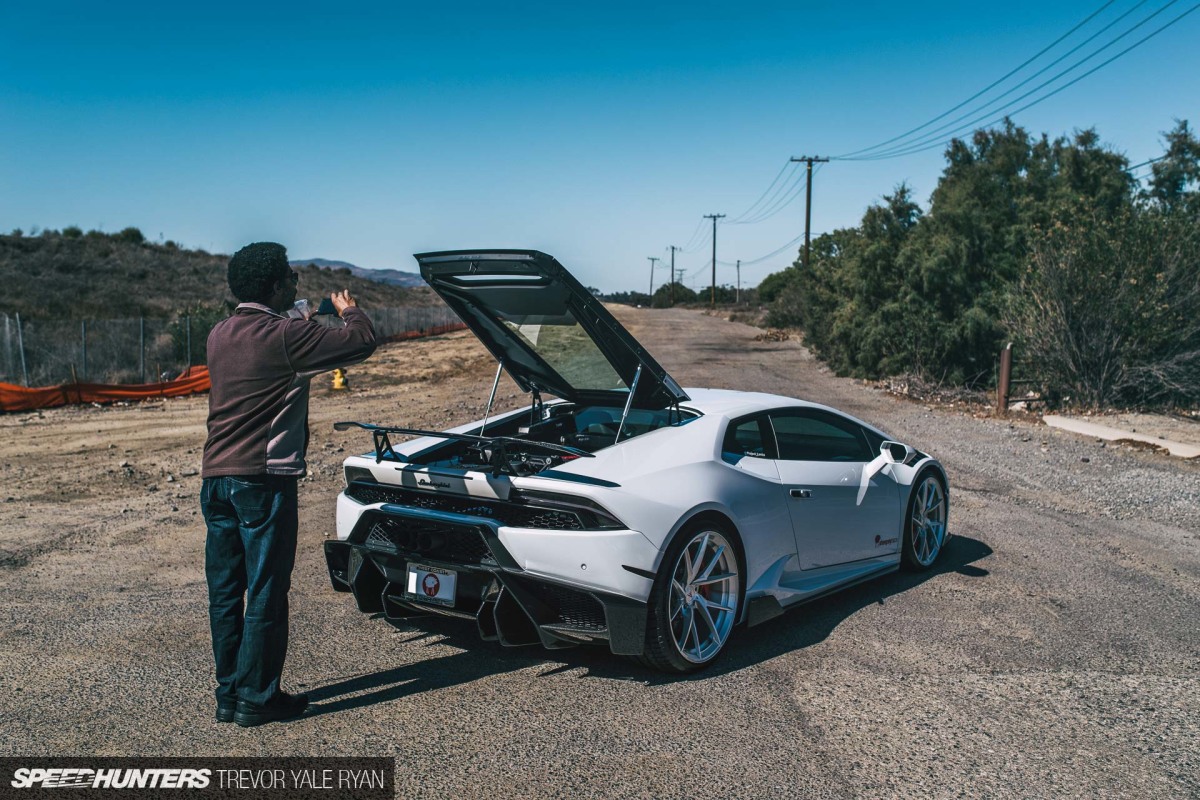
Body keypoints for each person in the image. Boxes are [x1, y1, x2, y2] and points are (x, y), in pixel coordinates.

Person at [200, 242, 376, 727]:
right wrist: (350, 311)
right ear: (276, 285)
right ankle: (258, 699)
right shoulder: (285, 335)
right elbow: (360, 342)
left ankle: (229, 693)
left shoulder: (219, 334)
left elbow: (279, 337)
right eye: (292, 279)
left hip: (215, 478)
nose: (297, 285)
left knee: (225, 590)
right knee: (266, 590)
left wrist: (301, 317)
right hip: (262, 480)